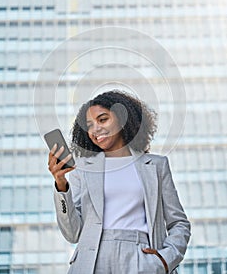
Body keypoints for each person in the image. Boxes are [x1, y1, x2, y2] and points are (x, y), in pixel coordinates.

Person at [48, 90, 191, 274]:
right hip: (92, 261)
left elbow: (179, 223)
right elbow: (72, 233)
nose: (95, 130)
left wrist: (165, 260)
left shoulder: (156, 165)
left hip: (140, 258)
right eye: (89, 125)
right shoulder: (83, 169)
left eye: (103, 119)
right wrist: (61, 184)